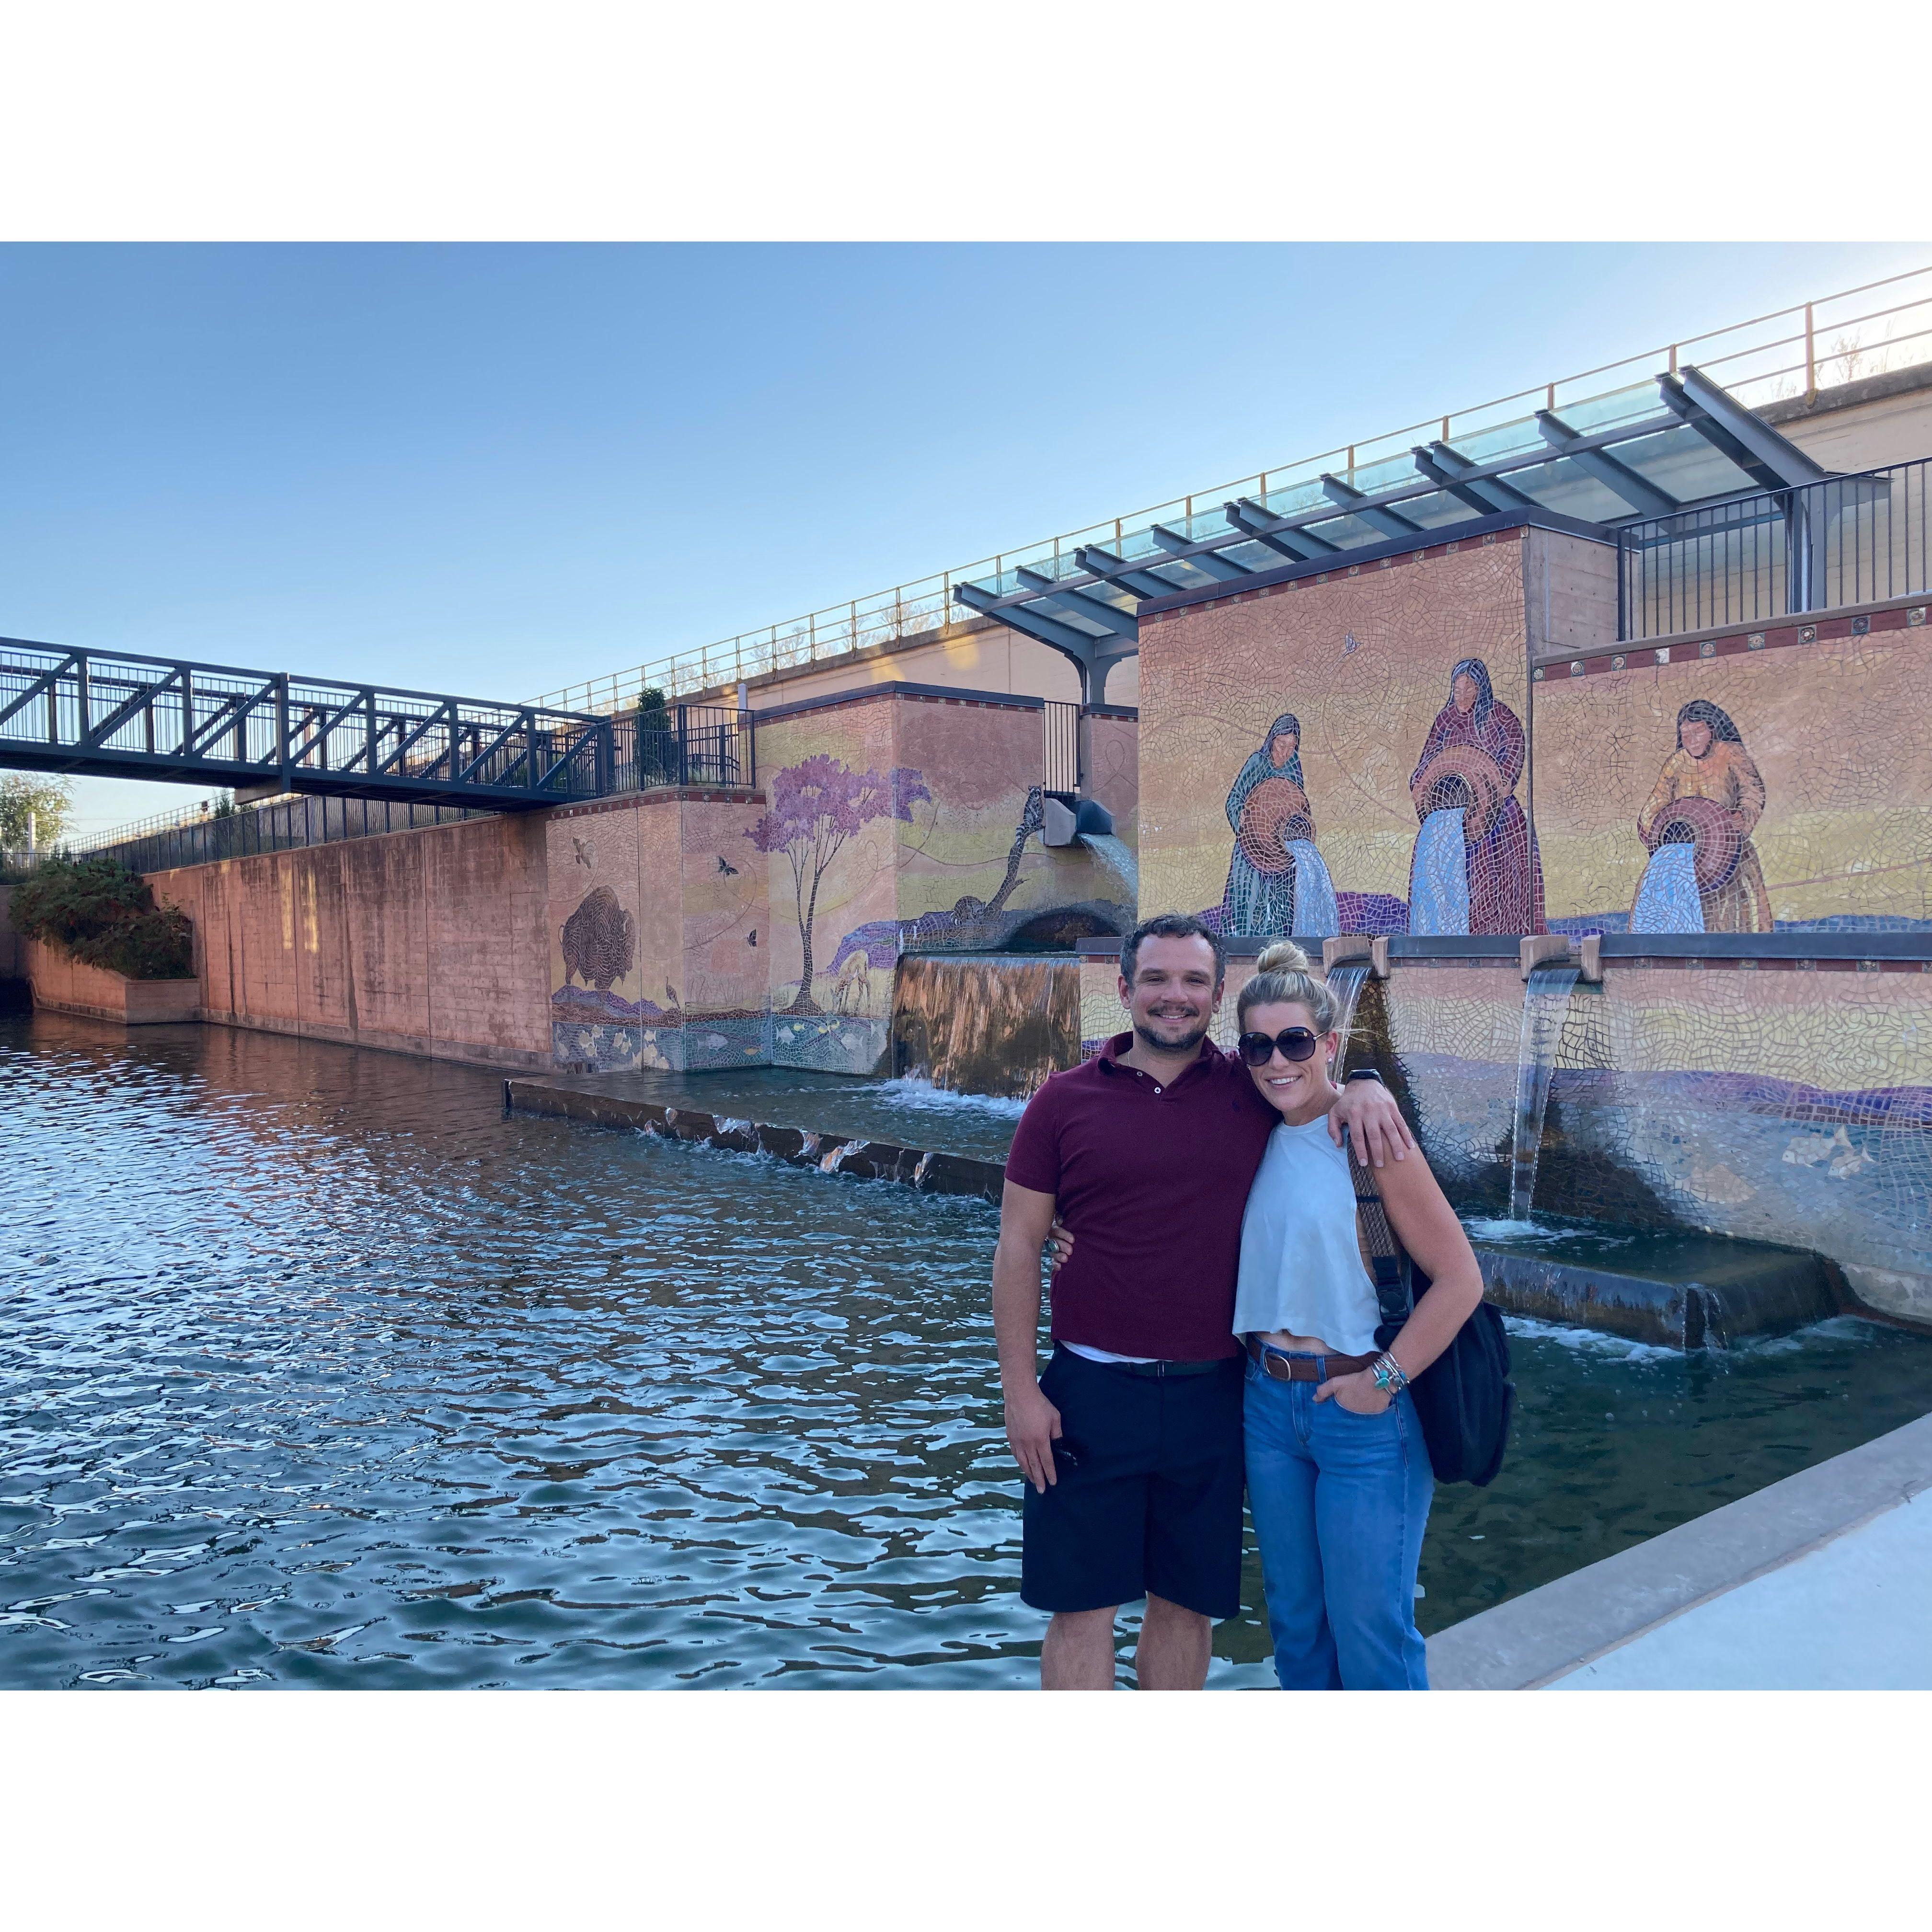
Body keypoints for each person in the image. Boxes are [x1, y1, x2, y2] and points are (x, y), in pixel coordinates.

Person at [992, 912, 1414, 1691]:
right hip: (1090, 1391)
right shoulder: (1060, 1103)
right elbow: (1018, 1243)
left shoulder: (1250, 1089)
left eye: (1192, 981)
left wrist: (1365, 1081)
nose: (1172, 996)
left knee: (1184, 1607)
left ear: (1217, 996)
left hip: (1215, 1397)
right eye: (1155, 978)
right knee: (1081, 1611)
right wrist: (1020, 1392)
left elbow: (1311, 1076)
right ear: (1124, 988)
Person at [1231, 940, 1483, 1689]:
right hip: (1267, 1408)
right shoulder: (1242, 1131)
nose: (1277, 1061)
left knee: (1372, 1631)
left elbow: (1461, 1278)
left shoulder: (1368, 1137)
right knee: (1299, 1628)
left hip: (1365, 1410)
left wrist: (1388, 1378)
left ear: (1329, 1044)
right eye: (1257, 1045)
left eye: (1295, 1041)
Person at [1408, 658, 1542, 935]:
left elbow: (1513, 759)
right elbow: (1426, 761)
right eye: (1457, 688)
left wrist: (1497, 787)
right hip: (1446, 814)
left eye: (1468, 688)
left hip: (1494, 817)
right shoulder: (1445, 721)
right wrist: (1420, 782)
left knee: (1495, 880)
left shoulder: (1501, 717)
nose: (1462, 694)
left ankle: (1499, 935)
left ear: (1481, 688)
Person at [1636, 698, 1772, 933]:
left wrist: (1743, 815)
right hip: (1685, 859)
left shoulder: (1730, 753)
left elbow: (1753, 791)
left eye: (1698, 731)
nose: (1692, 739)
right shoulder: (1677, 762)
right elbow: (1657, 801)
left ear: (1712, 728)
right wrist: (1650, 826)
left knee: (1732, 918)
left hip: (1729, 850)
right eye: (1686, 734)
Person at [1219, 713, 1311, 937]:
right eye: (1281, 744)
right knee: (1248, 899)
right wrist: (1239, 815)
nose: (1285, 752)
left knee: (1282, 905)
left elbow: (1297, 803)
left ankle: (1278, 948)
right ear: (1272, 740)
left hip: (1280, 851)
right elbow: (1234, 798)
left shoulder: (1293, 766)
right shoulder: (1257, 762)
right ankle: (1244, 944)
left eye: (1292, 746)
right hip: (1252, 846)